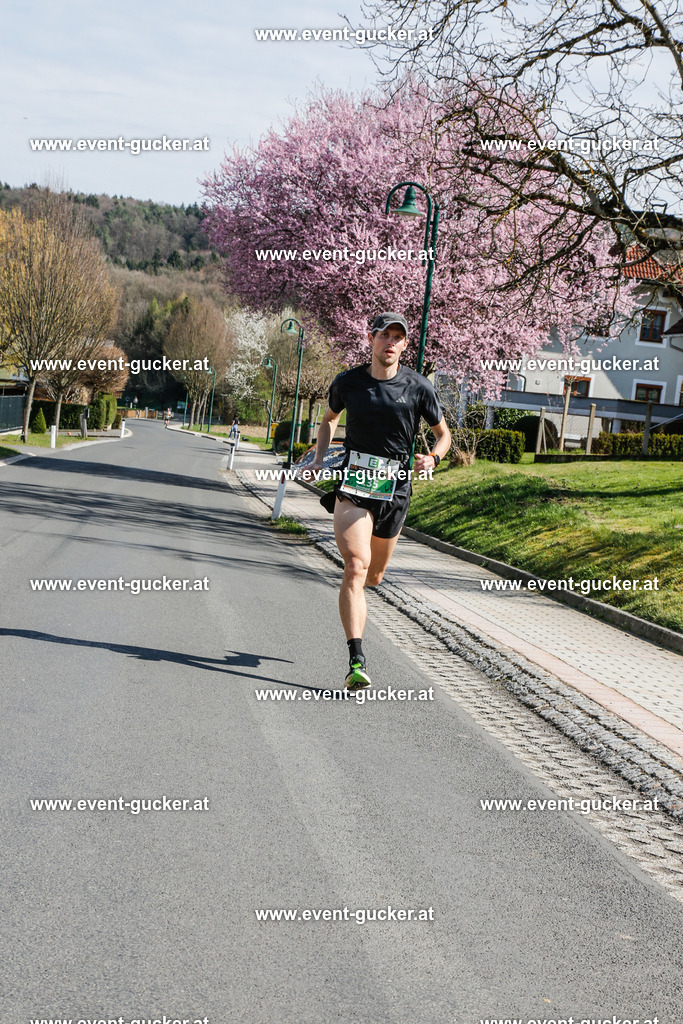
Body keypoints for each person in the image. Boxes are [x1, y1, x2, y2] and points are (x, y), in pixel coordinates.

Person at [303, 312, 451, 690]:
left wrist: (433, 458)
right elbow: (329, 419)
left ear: (405, 345)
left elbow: (443, 435)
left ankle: (356, 603)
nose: (390, 342)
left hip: (395, 490)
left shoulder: (419, 387)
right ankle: (356, 659)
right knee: (356, 566)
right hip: (354, 485)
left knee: (374, 576)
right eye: (384, 335)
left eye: (397, 337)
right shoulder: (348, 382)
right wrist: (319, 459)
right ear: (371, 339)